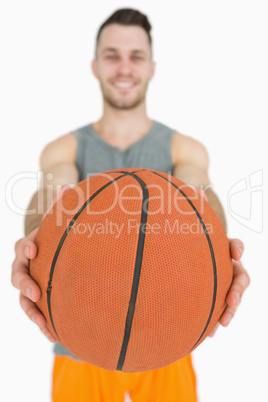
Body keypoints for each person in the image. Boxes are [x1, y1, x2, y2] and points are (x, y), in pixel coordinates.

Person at [11, 8, 250, 402]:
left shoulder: (183, 149)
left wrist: (219, 246)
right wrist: (38, 235)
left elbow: (197, 193)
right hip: (78, 342)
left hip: (168, 343)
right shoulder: (64, 149)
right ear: (95, 66)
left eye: (136, 56)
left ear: (152, 68)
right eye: (112, 55)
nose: (124, 67)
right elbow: (53, 195)